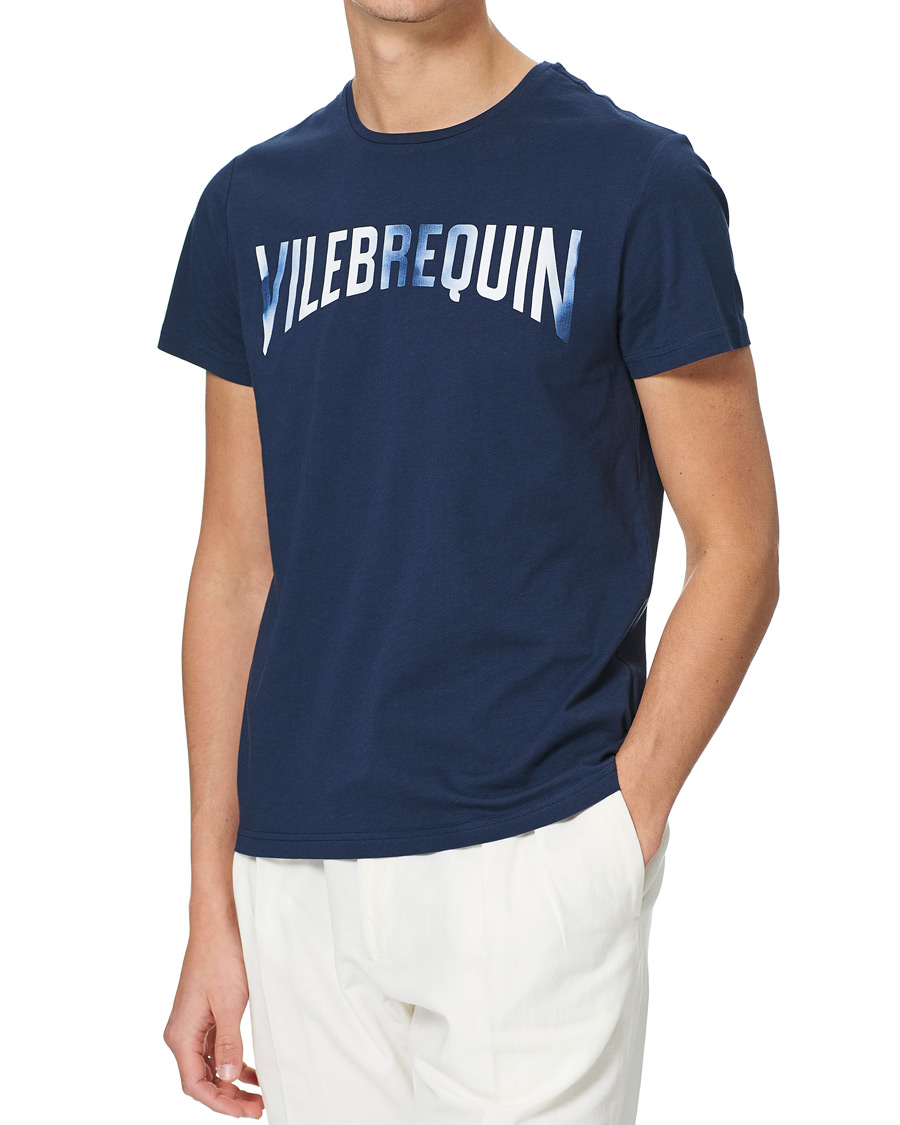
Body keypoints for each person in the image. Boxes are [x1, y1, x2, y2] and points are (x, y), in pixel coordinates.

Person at [157, 1, 779, 1120]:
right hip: (299, 874)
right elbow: (236, 566)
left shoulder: (637, 183)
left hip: (532, 851)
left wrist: (618, 824)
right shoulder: (252, 205)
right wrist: (213, 899)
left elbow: (739, 547)